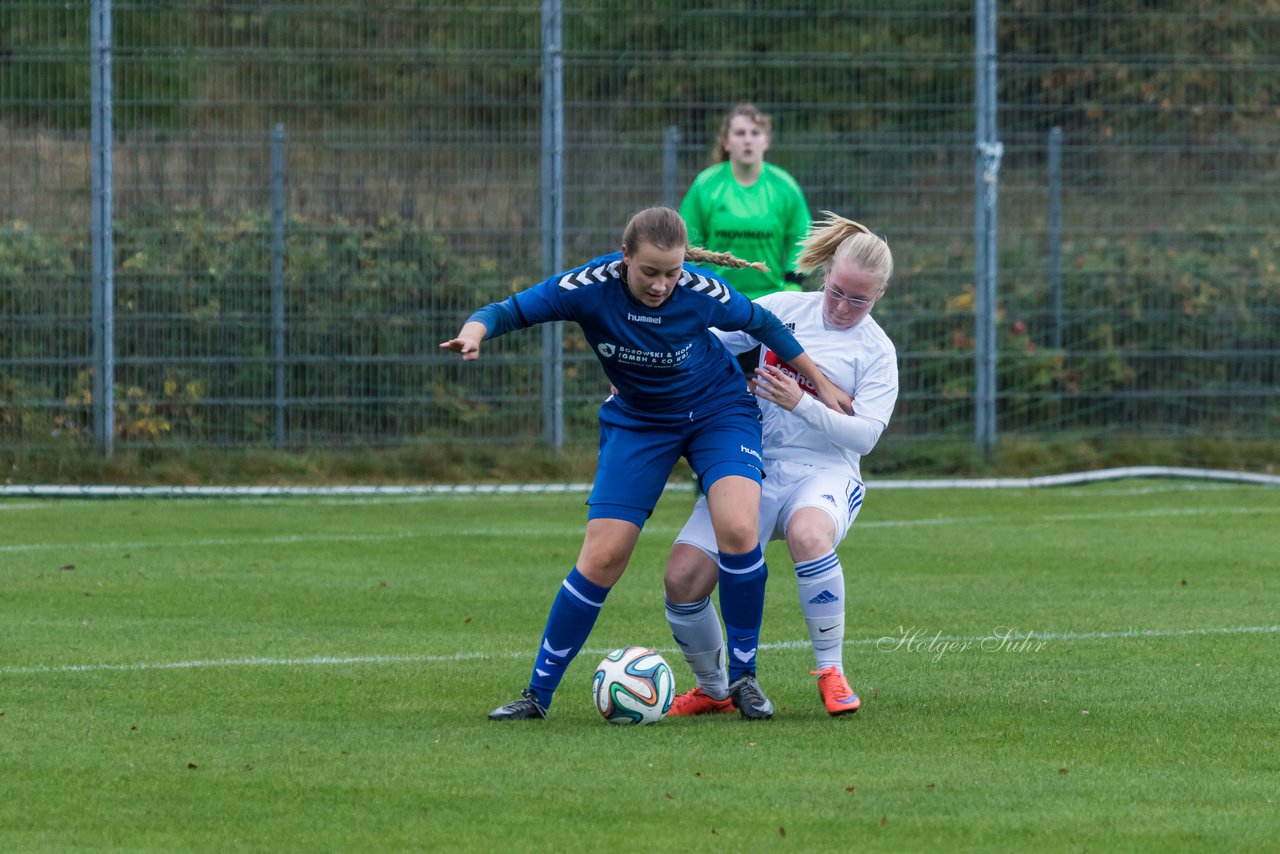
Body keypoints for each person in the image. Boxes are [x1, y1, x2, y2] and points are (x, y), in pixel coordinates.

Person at [439, 206, 852, 722]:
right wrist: (475, 332)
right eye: (649, 272)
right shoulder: (587, 285)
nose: (661, 285)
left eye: (672, 273)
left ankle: (744, 679)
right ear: (624, 256)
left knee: (739, 525)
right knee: (603, 556)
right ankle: (536, 696)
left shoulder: (702, 292)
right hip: (640, 423)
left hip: (718, 413)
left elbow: (764, 324)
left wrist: (824, 382)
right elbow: (508, 310)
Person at [660, 212, 898, 718]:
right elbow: (713, 344)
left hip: (825, 473)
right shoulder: (783, 309)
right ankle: (713, 689)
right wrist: (646, 371)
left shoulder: (876, 351)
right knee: (682, 578)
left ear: (879, 296)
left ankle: (831, 673)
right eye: (836, 290)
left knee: (809, 535)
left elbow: (866, 435)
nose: (842, 305)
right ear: (825, 273)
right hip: (753, 464)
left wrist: (801, 404)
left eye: (859, 299)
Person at [679, 103, 812, 301]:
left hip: (771, 301)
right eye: (740, 133)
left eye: (755, 133)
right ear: (725, 142)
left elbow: (801, 239)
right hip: (715, 298)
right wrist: (696, 287)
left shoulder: (784, 186)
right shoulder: (706, 185)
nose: (748, 140)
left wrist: (793, 284)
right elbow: (687, 239)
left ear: (766, 141)